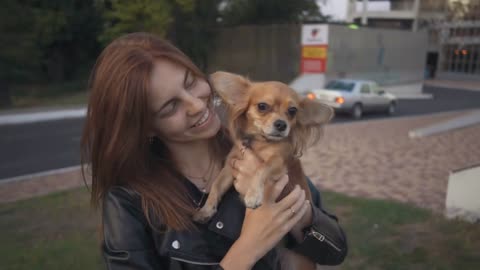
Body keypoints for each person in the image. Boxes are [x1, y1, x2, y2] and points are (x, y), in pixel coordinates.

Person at [81, 32, 347, 270]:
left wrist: (298, 214)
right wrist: (247, 249)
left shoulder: (258, 150)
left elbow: (335, 251)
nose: (196, 105)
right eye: (170, 106)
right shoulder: (129, 202)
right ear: (146, 127)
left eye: (190, 82)